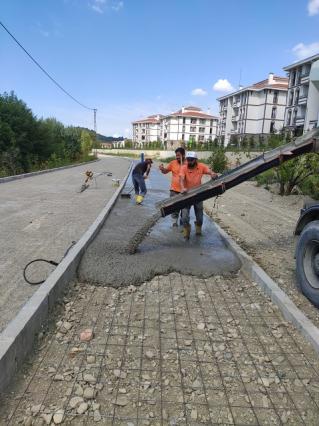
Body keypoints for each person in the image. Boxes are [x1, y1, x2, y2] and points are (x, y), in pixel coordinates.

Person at [179, 151, 218, 239]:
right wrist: (182, 188)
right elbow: (181, 178)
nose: (189, 162)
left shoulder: (201, 166)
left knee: (200, 216)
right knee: (184, 216)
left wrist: (213, 174)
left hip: (198, 194)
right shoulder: (183, 168)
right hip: (186, 194)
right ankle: (186, 229)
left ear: (195, 160)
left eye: (191, 160)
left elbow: (209, 171)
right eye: (188, 160)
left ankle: (198, 228)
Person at [159, 147, 186, 226]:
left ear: (184, 155)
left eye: (179, 155)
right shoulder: (173, 163)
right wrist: (162, 169)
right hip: (174, 190)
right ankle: (174, 223)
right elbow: (165, 171)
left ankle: (183, 223)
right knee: (174, 207)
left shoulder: (188, 163)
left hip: (185, 190)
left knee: (184, 209)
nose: (177, 157)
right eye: (176, 155)